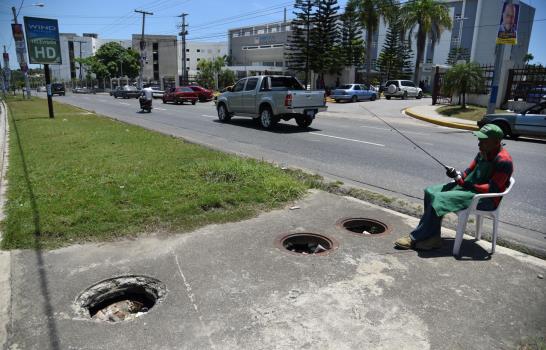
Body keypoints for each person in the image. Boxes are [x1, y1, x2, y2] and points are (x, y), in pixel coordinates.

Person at [395, 124, 514, 251]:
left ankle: (416, 237)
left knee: (439, 198)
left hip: (484, 199)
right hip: (469, 189)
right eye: (479, 140)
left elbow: (492, 189)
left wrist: (467, 184)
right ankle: (432, 236)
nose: (479, 144)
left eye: (484, 141)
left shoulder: (503, 161)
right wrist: (456, 174)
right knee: (430, 191)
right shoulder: (482, 153)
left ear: (496, 142)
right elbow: (468, 171)